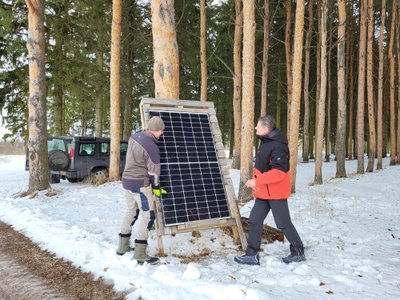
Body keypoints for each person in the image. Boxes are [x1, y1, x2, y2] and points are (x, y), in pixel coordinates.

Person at [234, 115, 305, 265]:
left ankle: (298, 251)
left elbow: (278, 172)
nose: (255, 128)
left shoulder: (278, 146)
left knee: (283, 223)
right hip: (264, 193)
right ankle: (251, 254)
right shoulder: (266, 142)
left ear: (266, 129)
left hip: (276, 193)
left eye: (258, 126)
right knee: (254, 220)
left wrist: (256, 181)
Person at [116, 116, 166, 265]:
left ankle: (122, 247)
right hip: (140, 184)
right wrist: (156, 187)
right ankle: (140, 253)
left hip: (127, 181)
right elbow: (154, 172)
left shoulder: (134, 136)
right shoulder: (151, 147)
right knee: (148, 215)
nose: (162, 133)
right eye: (161, 131)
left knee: (131, 211)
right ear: (155, 130)